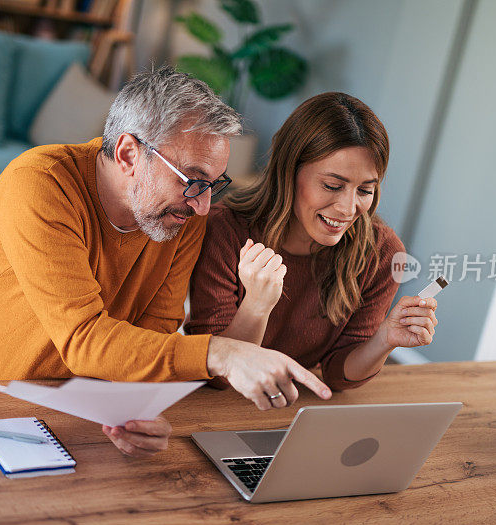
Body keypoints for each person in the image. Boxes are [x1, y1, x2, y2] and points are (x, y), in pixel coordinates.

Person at [0, 66, 332, 458]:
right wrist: (219, 352)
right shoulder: (39, 183)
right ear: (129, 153)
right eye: (192, 180)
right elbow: (83, 339)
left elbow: (155, 330)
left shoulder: (179, 217)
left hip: (77, 407)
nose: (204, 206)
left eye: (213, 185)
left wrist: (137, 412)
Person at [185, 92, 439, 395]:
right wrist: (256, 306)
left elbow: (338, 375)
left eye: (364, 190)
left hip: (297, 405)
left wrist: (385, 339)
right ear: (289, 172)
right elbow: (218, 375)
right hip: (219, 405)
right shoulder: (223, 231)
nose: (348, 209)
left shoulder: (382, 253)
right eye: (332, 186)